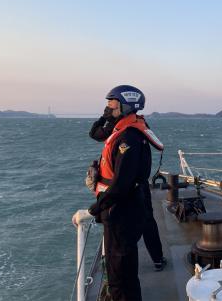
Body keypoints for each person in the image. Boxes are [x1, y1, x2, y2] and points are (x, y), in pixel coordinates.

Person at [88, 85, 165, 301]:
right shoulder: (121, 128)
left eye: (112, 103)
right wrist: (104, 116)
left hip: (121, 209)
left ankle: (157, 259)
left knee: (121, 270)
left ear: (125, 106)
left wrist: (97, 207)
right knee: (119, 266)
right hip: (119, 207)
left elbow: (122, 183)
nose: (108, 106)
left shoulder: (129, 137)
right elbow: (95, 133)